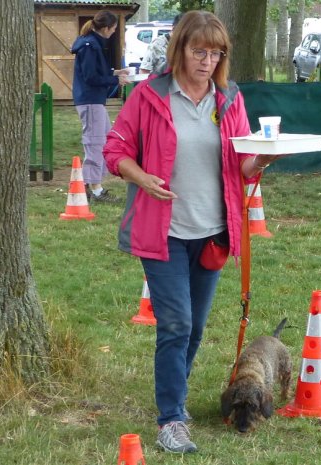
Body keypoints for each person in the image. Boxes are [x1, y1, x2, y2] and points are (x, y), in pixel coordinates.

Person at [102, 10, 279, 454]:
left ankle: (174, 396)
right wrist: (141, 178)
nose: (207, 60)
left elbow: (241, 160)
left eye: (215, 52)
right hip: (162, 232)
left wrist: (261, 161)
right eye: (199, 50)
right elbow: (115, 149)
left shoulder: (228, 99)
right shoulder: (148, 96)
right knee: (176, 324)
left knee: (195, 328)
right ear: (179, 48)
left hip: (214, 232)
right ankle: (171, 418)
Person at [71, 10, 131, 203]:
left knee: (105, 141)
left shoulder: (92, 43)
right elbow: (91, 77)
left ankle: (93, 184)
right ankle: (94, 188)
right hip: (90, 100)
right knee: (95, 143)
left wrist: (115, 73)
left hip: (94, 100)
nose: (113, 32)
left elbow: (96, 71)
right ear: (105, 28)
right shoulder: (90, 46)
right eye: (113, 29)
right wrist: (115, 81)